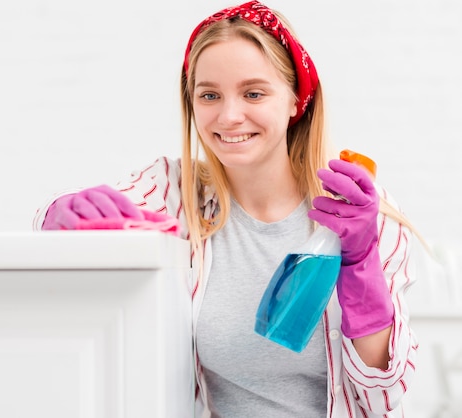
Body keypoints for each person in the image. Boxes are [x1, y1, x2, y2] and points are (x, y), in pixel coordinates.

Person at [33, 1, 420, 417]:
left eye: (253, 93)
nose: (229, 115)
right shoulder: (176, 194)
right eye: (210, 95)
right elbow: (51, 223)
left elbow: (384, 398)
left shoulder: (359, 214)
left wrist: (361, 263)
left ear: (295, 101)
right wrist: (63, 216)